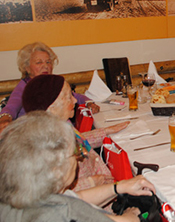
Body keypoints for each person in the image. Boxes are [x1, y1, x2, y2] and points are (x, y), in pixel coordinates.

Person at [0, 111, 156, 222]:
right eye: (73, 153)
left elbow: (76, 198)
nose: (77, 157)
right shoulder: (62, 213)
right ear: (56, 170)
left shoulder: (18, 198)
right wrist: (131, 216)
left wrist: (118, 187)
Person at [0, 42, 128, 139]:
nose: (45, 66)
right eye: (38, 62)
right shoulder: (25, 86)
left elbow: (76, 96)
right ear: (27, 68)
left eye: (48, 62)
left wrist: (89, 102)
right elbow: (11, 106)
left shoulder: (52, 85)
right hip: (36, 137)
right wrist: (5, 118)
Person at [22, 74, 120, 191]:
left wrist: (106, 131)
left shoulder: (61, 125)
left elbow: (79, 141)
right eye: (69, 97)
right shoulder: (47, 146)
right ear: (51, 108)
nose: (74, 100)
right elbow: (55, 194)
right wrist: (92, 182)